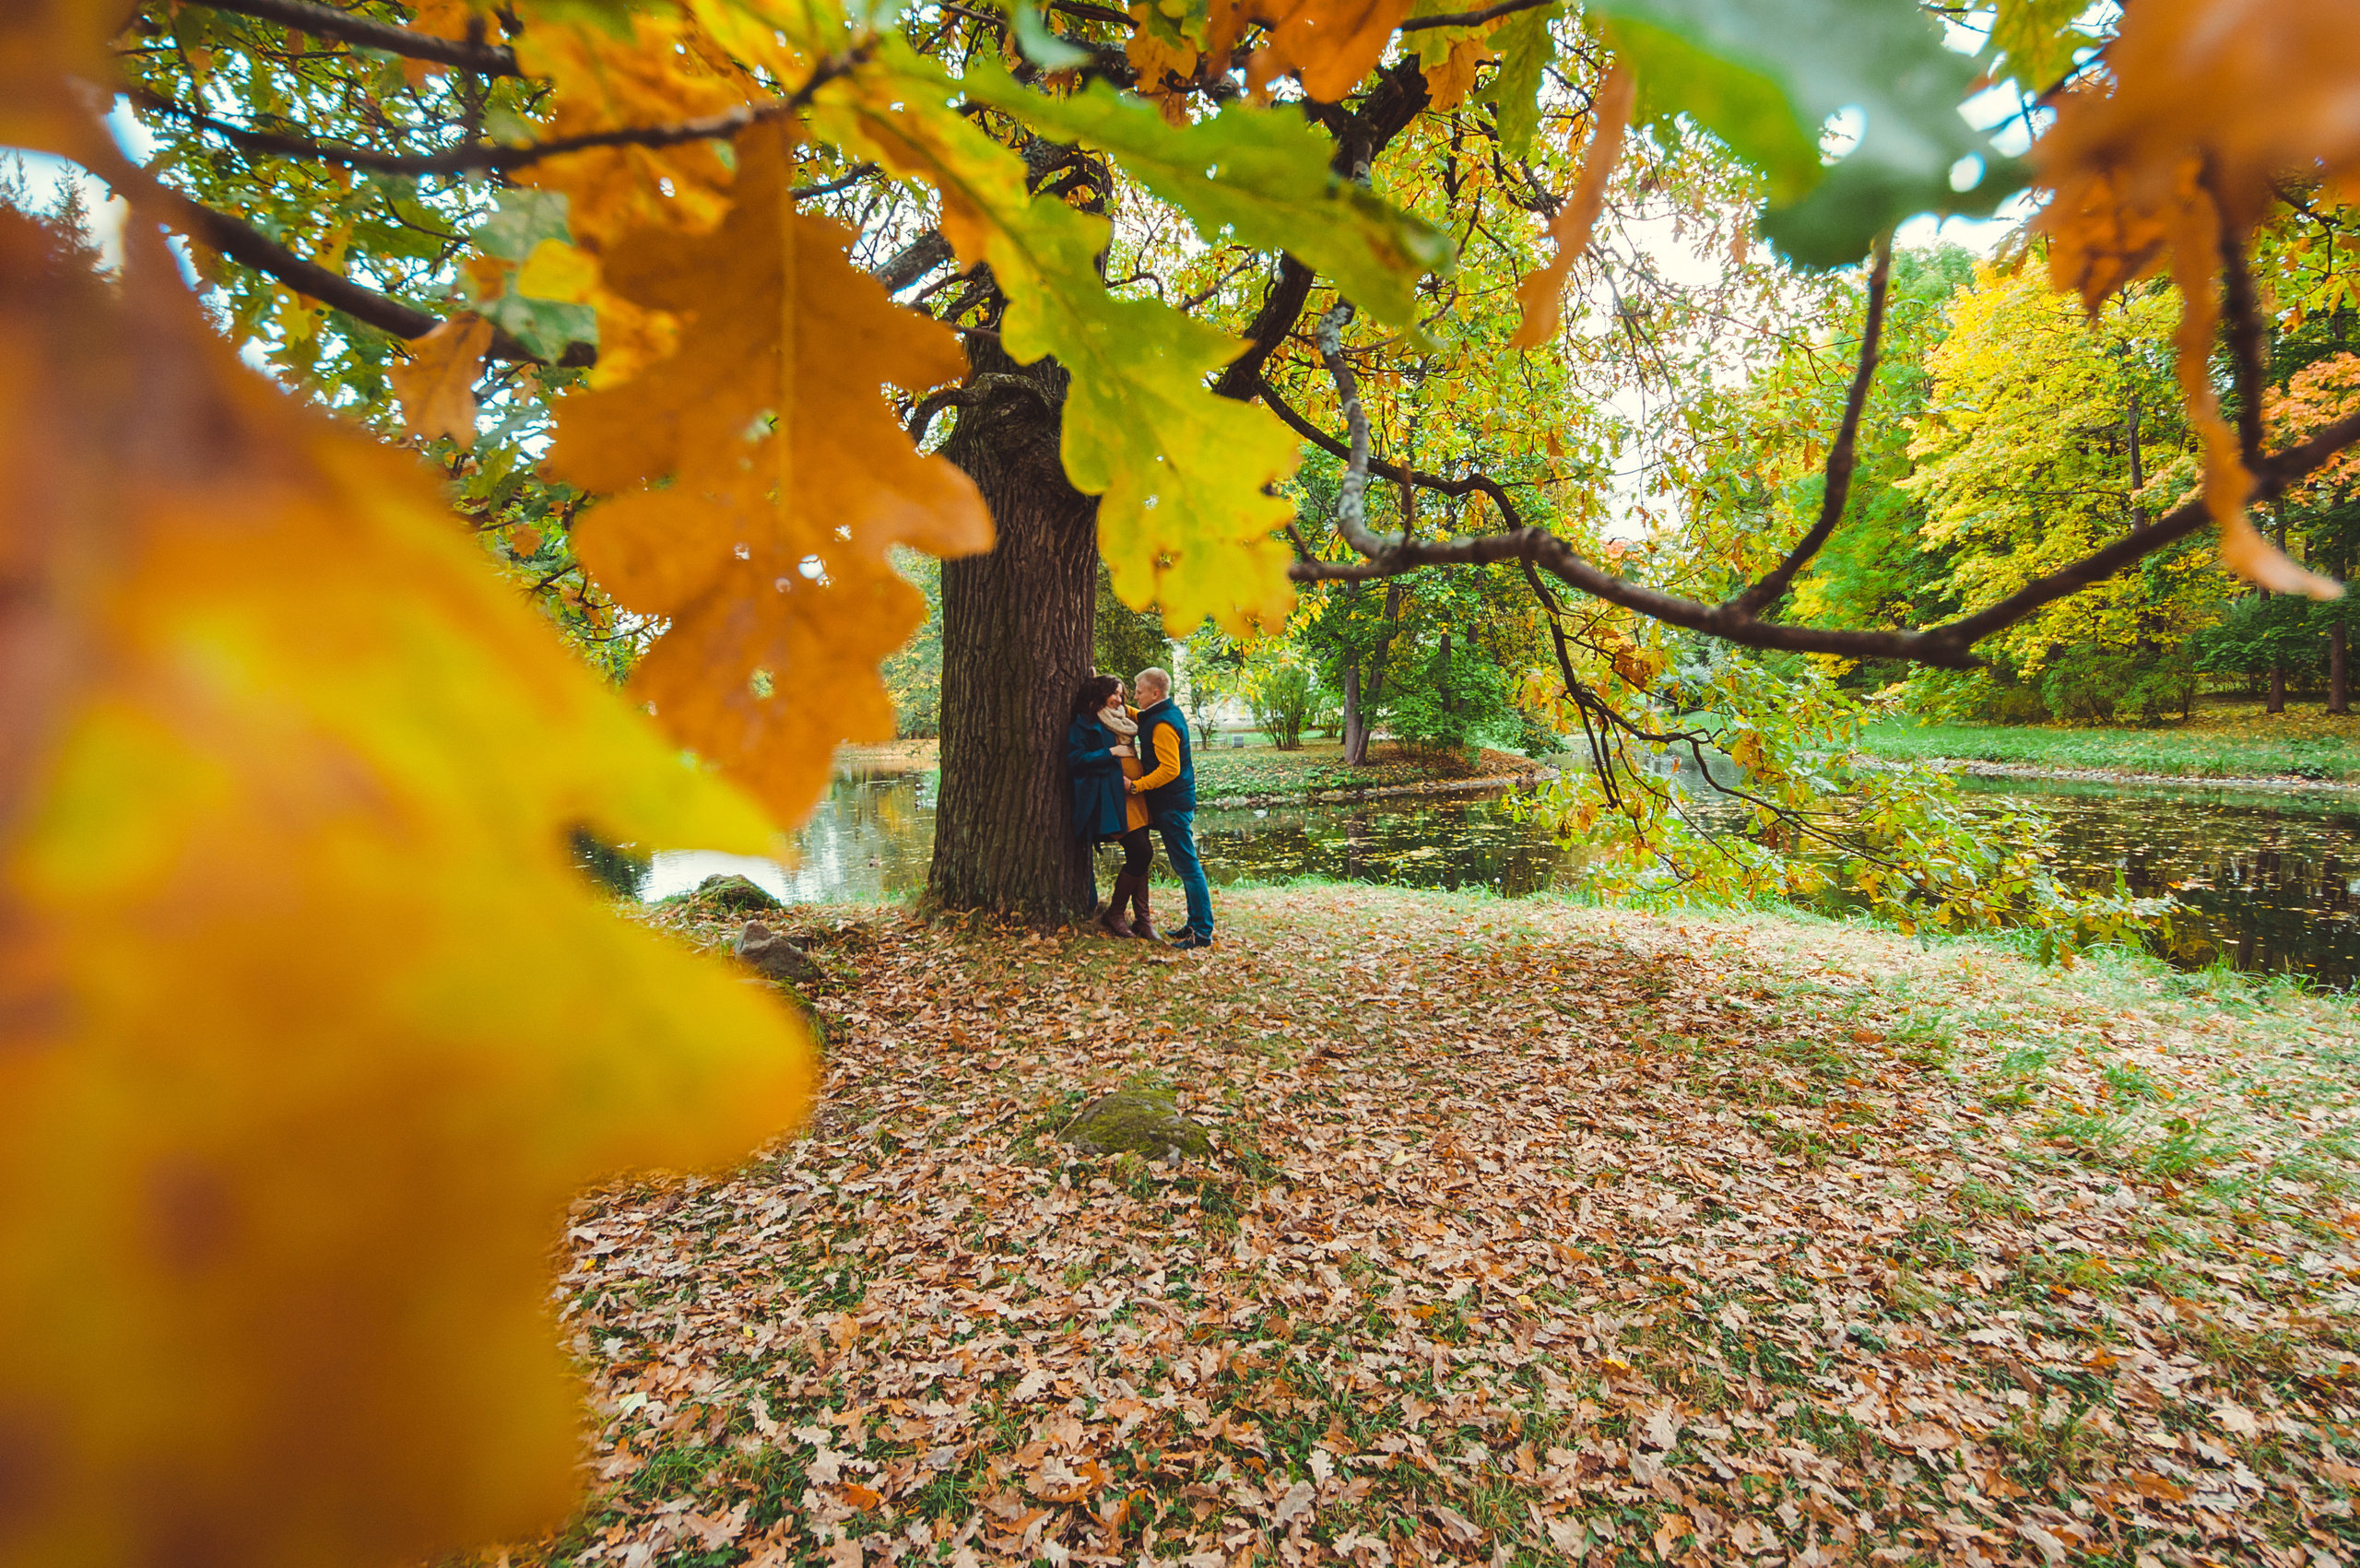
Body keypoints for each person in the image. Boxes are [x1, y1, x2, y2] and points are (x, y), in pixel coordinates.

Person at [1124, 666, 1213, 948]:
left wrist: (1136, 786)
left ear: (1155, 692)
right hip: (1172, 803)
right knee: (1185, 866)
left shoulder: (1162, 725)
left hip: (1173, 804)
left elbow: (1170, 769)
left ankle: (1201, 933)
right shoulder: (1158, 714)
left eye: (1138, 691)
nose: (1135, 696)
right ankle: (1194, 924)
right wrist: (1112, 702)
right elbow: (1139, 716)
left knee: (1187, 867)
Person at [1065, 673, 1156, 938]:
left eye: (1121, 694)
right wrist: (1111, 753)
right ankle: (1114, 914)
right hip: (1112, 798)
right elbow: (1076, 759)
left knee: (1141, 856)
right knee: (1141, 852)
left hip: (1135, 796)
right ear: (1099, 694)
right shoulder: (1087, 722)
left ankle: (1143, 920)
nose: (1119, 699)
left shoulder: (1122, 721)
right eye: (1113, 693)